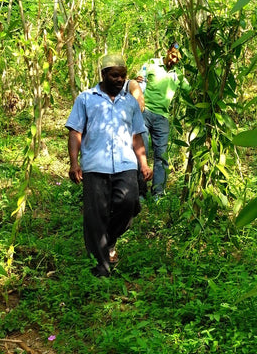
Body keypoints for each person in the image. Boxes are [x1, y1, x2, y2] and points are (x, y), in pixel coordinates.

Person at [66, 53, 153, 277]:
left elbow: (136, 135)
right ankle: (101, 267)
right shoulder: (86, 99)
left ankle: (109, 239)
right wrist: (74, 163)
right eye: (115, 75)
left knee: (130, 204)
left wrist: (143, 163)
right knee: (96, 215)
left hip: (125, 163)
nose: (120, 80)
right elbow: (76, 132)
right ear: (103, 74)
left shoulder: (130, 102)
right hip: (95, 165)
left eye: (123, 76)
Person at [136, 42, 189, 198]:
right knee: (141, 152)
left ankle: (158, 192)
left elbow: (190, 90)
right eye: (173, 55)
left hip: (162, 118)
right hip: (145, 113)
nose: (174, 60)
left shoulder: (178, 75)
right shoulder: (152, 64)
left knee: (162, 155)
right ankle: (140, 192)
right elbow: (138, 81)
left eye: (177, 59)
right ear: (168, 52)